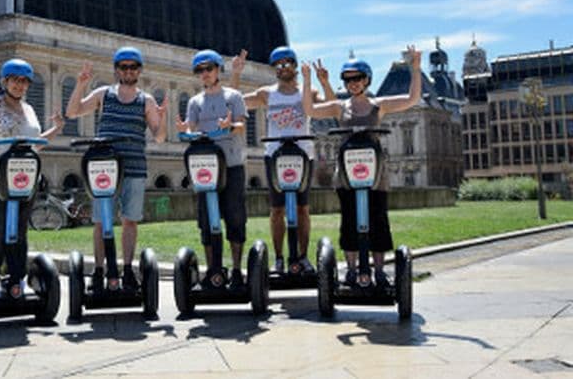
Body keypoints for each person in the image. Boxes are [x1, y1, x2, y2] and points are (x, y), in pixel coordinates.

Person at [301, 46, 422, 287]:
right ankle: (353, 271)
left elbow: (412, 99)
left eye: (357, 78)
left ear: (366, 79)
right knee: (349, 220)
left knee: (378, 219)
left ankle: (378, 271)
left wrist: (415, 69)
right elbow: (310, 110)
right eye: (348, 79)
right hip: (346, 174)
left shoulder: (379, 105)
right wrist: (307, 80)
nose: (353, 83)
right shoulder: (340, 107)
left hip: (376, 173)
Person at [65, 46, 168, 292]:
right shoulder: (104, 94)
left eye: (133, 67)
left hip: (134, 167)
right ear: (117, 70)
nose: (128, 71)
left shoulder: (147, 100)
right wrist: (80, 84)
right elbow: (72, 112)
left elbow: (160, 138)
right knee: (101, 222)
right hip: (104, 167)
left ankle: (128, 269)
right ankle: (100, 270)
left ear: (139, 71)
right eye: (124, 67)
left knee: (130, 221)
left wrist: (161, 118)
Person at [230, 46, 336, 275]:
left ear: (295, 66)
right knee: (277, 209)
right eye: (277, 65)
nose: (282, 67)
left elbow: (334, 108)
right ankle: (279, 259)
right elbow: (234, 102)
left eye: (287, 63)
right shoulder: (266, 93)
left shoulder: (307, 92)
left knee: (302, 209)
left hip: (303, 154)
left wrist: (324, 82)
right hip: (275, 155)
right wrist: (236, 74)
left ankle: (303, 258)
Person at [0, 58, 64, 299]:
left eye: (24, 82)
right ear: (5, 82)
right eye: (15, 81)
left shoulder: (29, 109)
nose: (19, 86)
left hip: (25, 177)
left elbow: (34, 144)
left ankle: (17, 279)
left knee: (20, 231)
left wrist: (56, 130)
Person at [176, 49, 249, 290]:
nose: (205, 74)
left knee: (235, 218)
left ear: (218, 70)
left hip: (232, 164)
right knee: (207, 222)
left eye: (209, 69)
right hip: (205, 168)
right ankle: (213, 271)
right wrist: (185, 129)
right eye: (200, 70)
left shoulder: (234, 96)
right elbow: (192, 130)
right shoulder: (195, 102)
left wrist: (230, 126)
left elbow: (241, 126)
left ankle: (237, 270)